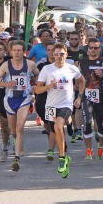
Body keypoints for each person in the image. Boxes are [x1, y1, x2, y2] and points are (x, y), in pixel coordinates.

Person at [35, 43, 85, 178]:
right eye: (56, 54)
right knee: (54, 130)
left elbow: (82, 81)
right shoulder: (47, 69)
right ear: (52, 55)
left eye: (61, 54)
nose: (58, 56)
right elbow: (37, 89)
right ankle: (63, 155)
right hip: (51, 106)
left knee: (58, 126)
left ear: (66, 54)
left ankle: (62, 158)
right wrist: (49, 86)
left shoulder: (72, 68)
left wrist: (79, 97)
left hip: (66, 104)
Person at [0, 40, 39, 172]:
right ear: (10, 51)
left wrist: (35, 86)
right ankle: (17, 144)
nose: (17, 52)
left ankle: (17, 158)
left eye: (19, 50)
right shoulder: (6, 65)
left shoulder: (30, 64)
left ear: (24, 52)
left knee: (20, 128)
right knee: (12, 131)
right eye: (14, 50)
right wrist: (7, 84)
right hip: (10, 100)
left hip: (24, 98)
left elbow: (39, 75)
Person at [79, 38, 103, 160]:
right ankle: (89, 149)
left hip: (100, 97)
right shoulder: (81, 62)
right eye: (91, 48)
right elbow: (78, 79)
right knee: (87, 123)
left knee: (101, 125)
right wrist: (78, 94)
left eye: (96, 48)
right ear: (87, 49)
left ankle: (101, 146)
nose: (93, 50)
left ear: (99, 49)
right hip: (86, 96)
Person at [35, 42, 57, 160]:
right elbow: (36, 78)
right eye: (48, 50)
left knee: (56, 122)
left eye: (53, 49)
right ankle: (51, 135)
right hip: (44, 96)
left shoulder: (63, 64)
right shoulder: (42, 64)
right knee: (48, 121)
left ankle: (57, 142)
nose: (51, 52)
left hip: (58, 97)